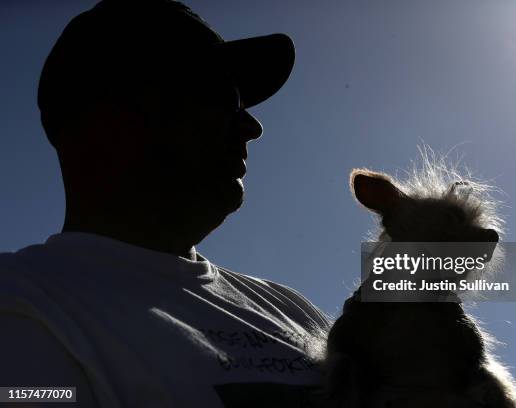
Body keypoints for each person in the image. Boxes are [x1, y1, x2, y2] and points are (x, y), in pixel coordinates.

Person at [0, 1, 331, 407]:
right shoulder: (22, 306)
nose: (252, 126)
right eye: (217, 96)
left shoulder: (294, 310)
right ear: (112, 120)